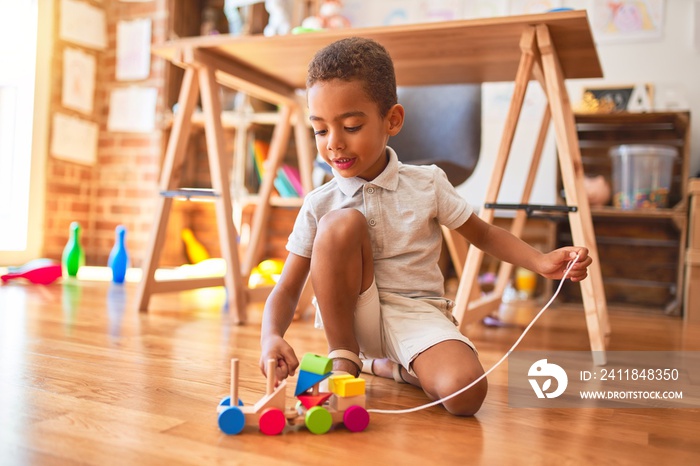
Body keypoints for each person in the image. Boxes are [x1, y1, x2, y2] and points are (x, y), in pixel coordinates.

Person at [259, 37, 592, 416]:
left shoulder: (428, 183)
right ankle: (347, 359)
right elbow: (286, 288)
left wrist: (541, 261)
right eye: (320, 130)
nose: (334, 144)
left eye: (350, 125)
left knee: (465, 394)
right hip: (348, 319)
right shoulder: (319, 202)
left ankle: (389, 367)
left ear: (393, 120)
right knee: (339, 224)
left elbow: (483, 234)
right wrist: (270, 336)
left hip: (417, 314)